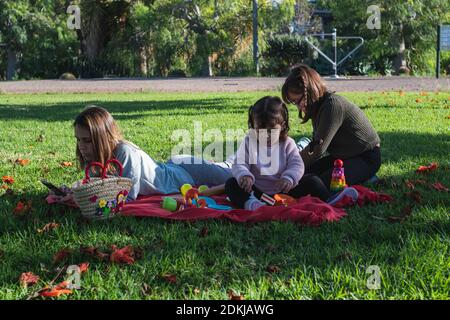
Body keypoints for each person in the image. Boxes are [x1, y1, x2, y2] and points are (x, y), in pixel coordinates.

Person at [56, 105, 232, 204]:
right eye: (78, 140)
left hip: (185, 172)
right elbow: (100, 186)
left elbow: (126, 197)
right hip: (172, 167)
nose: (81, 147)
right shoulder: (95, 158)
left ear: (102, 138)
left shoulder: (125, 152)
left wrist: (80, 200)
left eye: (87, 141)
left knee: (231, 175)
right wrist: (74, 192)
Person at [224, 96, 358, 211]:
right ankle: (252, 204)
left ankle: (330, 199)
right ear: (253, 126)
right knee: (231, 184)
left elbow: (297, 164)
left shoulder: (288, 143)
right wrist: (244, 176)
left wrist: (289, 178)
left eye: (271, 131)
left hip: (285, 191)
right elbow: (239, 162)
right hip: (256, 191)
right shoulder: (250, 142)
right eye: (260, 130)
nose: (266, 136)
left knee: (312, 180)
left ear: (282, 126)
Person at [281, 64, 381, 194]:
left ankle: (366, 176)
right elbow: (313, 146)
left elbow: (317, 149)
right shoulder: (319, 106)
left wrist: (290, 168)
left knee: (317, 186)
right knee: (303, 176)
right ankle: (362, 178)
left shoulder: (332, 105)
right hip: (342, 157)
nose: (298, 107)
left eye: (297, 101)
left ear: (309, 92)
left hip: (365, 157)